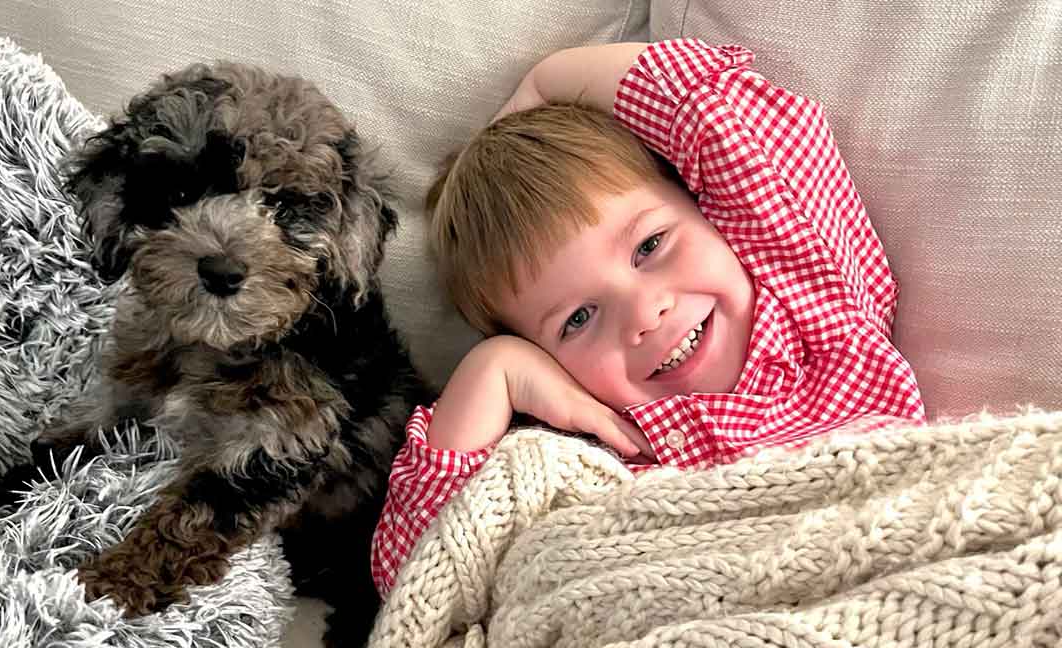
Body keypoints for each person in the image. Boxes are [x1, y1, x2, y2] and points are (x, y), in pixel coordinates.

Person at [371, 38, 925, 596]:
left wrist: (546, 82)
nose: (644, 312)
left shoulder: (814, 303)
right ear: (547, 362)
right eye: (579, 319)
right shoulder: (585, 452)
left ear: (708, 205)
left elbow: (717, 111)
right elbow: (418, 580)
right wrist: (492, 371)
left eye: (649, 246)